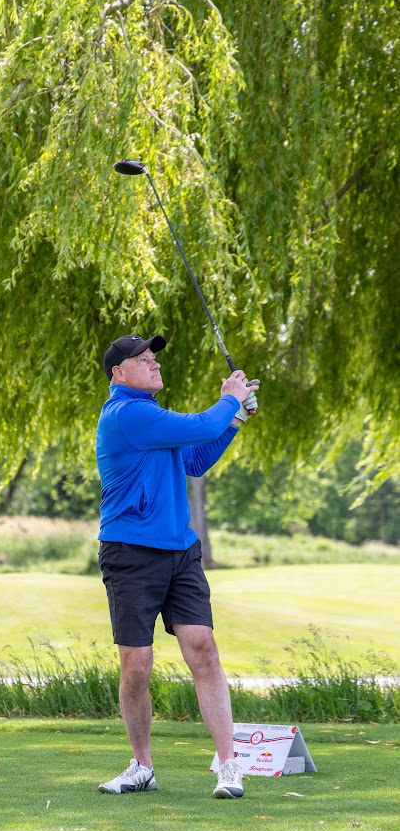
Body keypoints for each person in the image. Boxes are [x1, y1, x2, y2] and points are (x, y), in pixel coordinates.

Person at [96, 334, 259, 799]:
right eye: (142, 360)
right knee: (137, 666)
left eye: (154, 358)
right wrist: (230, 399)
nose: (154, 365)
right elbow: (203, 425)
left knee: (202, 648)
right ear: (118, 374)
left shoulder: (154, 419)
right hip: (130, 552)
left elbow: (197, 459)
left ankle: (229, 765)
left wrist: (235, 419)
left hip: (179, 549)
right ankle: (141, 765)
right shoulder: (128, 415)